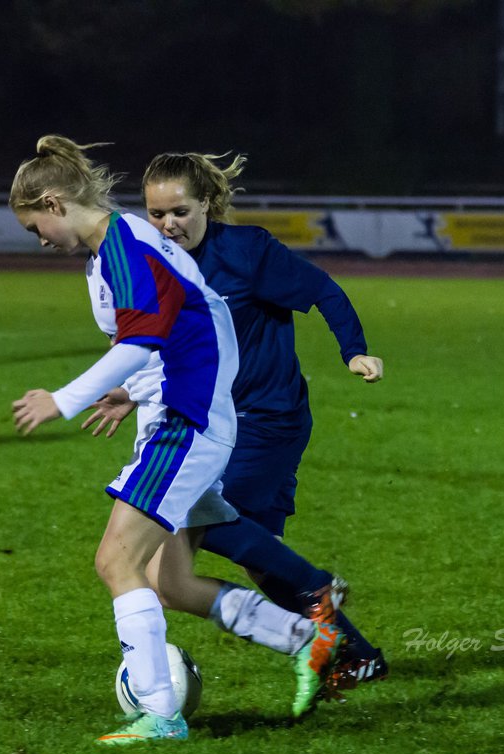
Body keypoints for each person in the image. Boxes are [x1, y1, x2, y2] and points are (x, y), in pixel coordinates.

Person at [9, 136, 344, 746]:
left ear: (54, 203)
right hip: (188, 416)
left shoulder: (122, 246)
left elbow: (142, 339)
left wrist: (65, 398)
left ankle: (160, 713)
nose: (39, 240)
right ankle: (310, 636)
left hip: (184, 424)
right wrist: (133, 392)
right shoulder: (123, 244)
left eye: (36, 227)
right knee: (171, 583)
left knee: (116, 561)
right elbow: (192, 324)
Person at [85, 151, 388, 699]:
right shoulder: (161, 262)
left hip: (266, 420)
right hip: (211, 422)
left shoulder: (247, 252)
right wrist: (132, 391)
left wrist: (354, 352)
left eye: (179, 211)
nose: (167, 225)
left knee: (206, 519)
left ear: (206, 204)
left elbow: (323, 290)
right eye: (156, 214)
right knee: (252, 560)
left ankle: (316, 587)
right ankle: (356, 656)